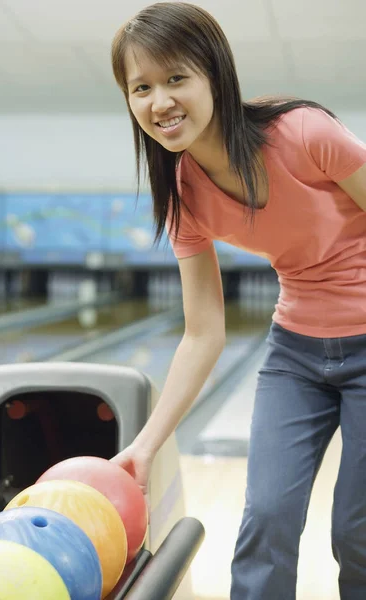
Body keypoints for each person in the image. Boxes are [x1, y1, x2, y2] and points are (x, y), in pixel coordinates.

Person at [109, 2, 366, 598]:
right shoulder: (181, 194)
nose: (160, 101)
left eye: (176, 79)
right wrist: (146, 445)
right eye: (141, 87)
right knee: (266, 520)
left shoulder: (304, 133)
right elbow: (203, 331)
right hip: (296, 354)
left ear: (215, 76)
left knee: (358, 530)